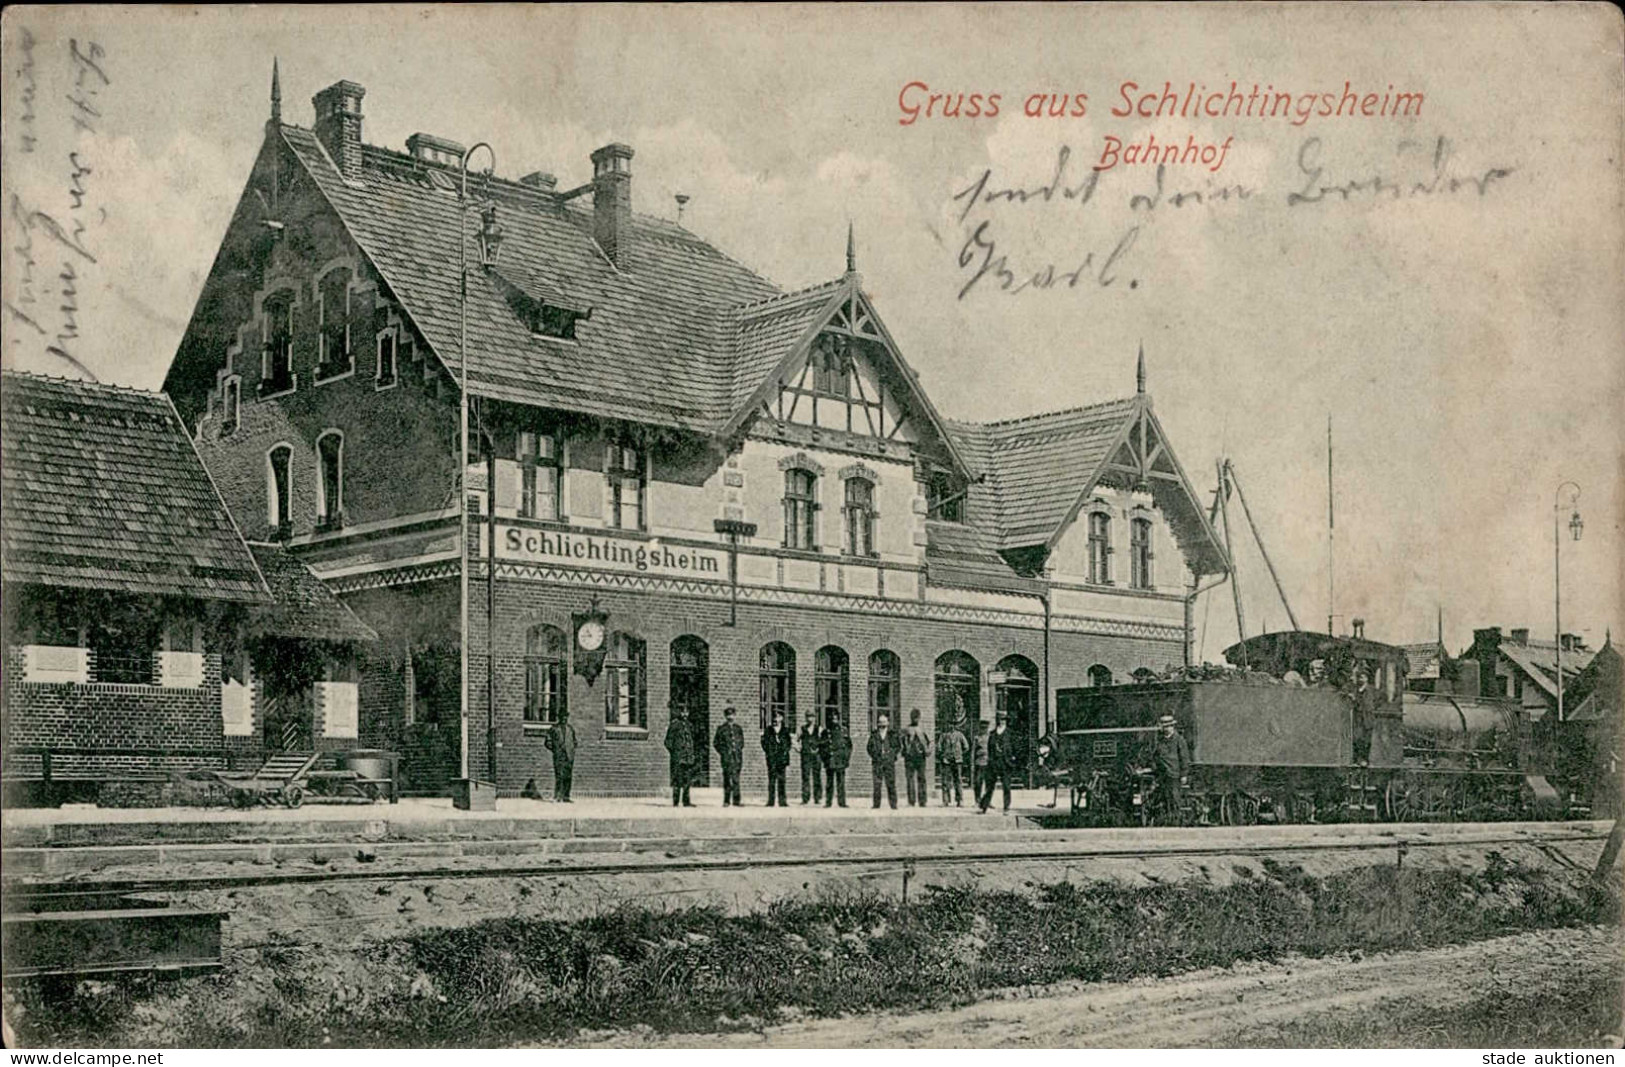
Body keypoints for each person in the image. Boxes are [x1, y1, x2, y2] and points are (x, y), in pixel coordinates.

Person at [1152, 713, 1192, 824]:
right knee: (1166, 798)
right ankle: (1168, 819)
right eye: (1164, 726)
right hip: (1163, 775)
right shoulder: (1160, 741)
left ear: (1172, 727)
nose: (1166, 728)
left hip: (1175, 774)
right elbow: (1156, 756)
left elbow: (1184, 758)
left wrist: (1184, 774)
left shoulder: (1179, 740)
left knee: (1175, 797)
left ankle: (1177, 820)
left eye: (1169, 726)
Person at [980, 710, 1015, 814]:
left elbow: (1015, 747)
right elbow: (990, 748)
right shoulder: (992, 734)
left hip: (1005, 763)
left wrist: (1013, 758)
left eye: (1003, 719)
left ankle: (1006, 807)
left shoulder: (1010, 734)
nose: (1001, 721)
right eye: (1000, 719)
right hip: (994, 763)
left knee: (1006, 786)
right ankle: (984, 806)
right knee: (990, 786)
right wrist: (990, 760)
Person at [868, 711, 902, 809]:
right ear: (878, 723)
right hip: (877, 762)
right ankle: (876, 804)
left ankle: (893, 804)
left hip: (889, 762)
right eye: (880, 722)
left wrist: (891, 755)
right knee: (877, 784)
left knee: (891, 783)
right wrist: (875, 756)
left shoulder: (892, 734)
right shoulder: (874, 734)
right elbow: (869, 747)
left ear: (887, 723)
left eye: (884, 722)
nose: (882, 724)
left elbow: (897, 747)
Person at [543, 708, 577, 803]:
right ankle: (558, 796)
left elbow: (575, 741)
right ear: (559, 717)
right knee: (559, 776)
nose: (564, 719)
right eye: (562, 717)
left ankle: (566, 796)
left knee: (568, 776)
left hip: (569, 756)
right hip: (559, 756)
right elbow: (547, 742)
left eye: (565, 717)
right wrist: (555, 749)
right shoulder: (554, 729)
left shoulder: (570, 729)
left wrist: (571, 750)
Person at [664, 706, 695, 807]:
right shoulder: (675, 725)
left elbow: (691, 741)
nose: (685, 714)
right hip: (678, 757)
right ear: (679, 713)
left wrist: (691, 753)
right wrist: (675, 753)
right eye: (683, 712)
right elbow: (668, 742)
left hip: (688, 757)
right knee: (677, 780)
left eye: (686, 712)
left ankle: (686, 801)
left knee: (687, 780)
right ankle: (676, 801)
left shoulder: (690, 725)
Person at [714, 705, 745, 807]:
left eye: (732, 715)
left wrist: (738, 750)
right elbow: (716, 743)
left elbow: (742, 743)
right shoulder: (721, 729)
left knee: (736, 779)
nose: (730, 717)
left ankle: (736, 801)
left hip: (736, 757)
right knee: (727, 778)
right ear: (725, 716)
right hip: (727, 758)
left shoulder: (738, 729)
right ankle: (726, 800)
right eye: (728, 715)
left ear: (735, 716)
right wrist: (723, 752)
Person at [901, 708, 932, 807]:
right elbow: (902, 742)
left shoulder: (923, 729)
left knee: (922, 778)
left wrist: (928, 751)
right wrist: (904, 751)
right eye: (913, 718)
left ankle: (923, 801)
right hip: (909, 757)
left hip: (920, 757)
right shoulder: (906, 730)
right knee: (910, 779)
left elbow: (929, 742)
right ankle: (911, 801)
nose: (915, 720)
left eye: (917, 718)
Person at [761, 708, 792, 806]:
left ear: (782, 718)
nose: (776, 719)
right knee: (771, 780)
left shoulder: (785, 730)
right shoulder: (768, 730)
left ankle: (782, 801)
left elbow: (789, 744)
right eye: (774, 717)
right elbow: (764, 743)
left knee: (782, 780)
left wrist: (784, 751)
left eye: (778, 717)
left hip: (782, 759)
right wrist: (769, 753)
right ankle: (771, 801)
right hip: (772, 758)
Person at [935, 719, 969, 806]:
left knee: (958, 780)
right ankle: (945, 800)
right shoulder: (943, 735)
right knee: (945, 781)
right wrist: (943, 755)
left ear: (956, 726)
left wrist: (959, 754)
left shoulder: (960, 735)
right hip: (946, 760)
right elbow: (938, 747)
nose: (951, 727)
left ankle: (960, 800)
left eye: (953, 724)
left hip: (957, 761)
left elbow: (966, 746)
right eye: (949, 724)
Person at [823, 713, 851, 808]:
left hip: (840, 760)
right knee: (829, 783)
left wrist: (846, 758)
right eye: (832, 718)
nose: (834, 720)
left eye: (836, 718)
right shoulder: (826, 732)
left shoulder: (844, 731)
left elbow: (849, 746)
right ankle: (828, 802)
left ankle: (842, 802)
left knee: (841, 782)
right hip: (830, 759)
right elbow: (822, 746)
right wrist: (825, 759)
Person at [798, 710, 824, 805]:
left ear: (815, 718)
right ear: (805, 718)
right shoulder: (802, 729)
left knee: (817, 776)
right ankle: (805, 798)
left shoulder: (819, 729)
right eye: (808, 717)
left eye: (812, 717)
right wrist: (799, 749)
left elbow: (824, 741)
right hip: (805, 755)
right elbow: (796, 740)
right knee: (805, 776)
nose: (810, 719)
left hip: (816, 756)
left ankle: (817, 798)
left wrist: (819, 749)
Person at [1352, 670, 1376, 765]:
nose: (1360, 679)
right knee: (1356, 738)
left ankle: (1364, 759)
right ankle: (1356, 758)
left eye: (1362, 677)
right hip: (1357, 717)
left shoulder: (1371, 690)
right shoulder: (1355, 690)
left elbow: (1368, 704)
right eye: (1359, 677)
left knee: (1366, 740)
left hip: (1366, 717)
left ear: (1366, 678)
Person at [972, 719, 991, 813]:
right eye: (982, 728)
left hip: (989, 762)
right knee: (978, 782)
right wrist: (972, 764)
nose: (984, 729)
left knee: (989, 783)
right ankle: (977, 800)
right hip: (979, 762)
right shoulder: (977, 738)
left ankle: (988, 801)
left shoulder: (991, 737)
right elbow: (973, 752)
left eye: (986, 728)